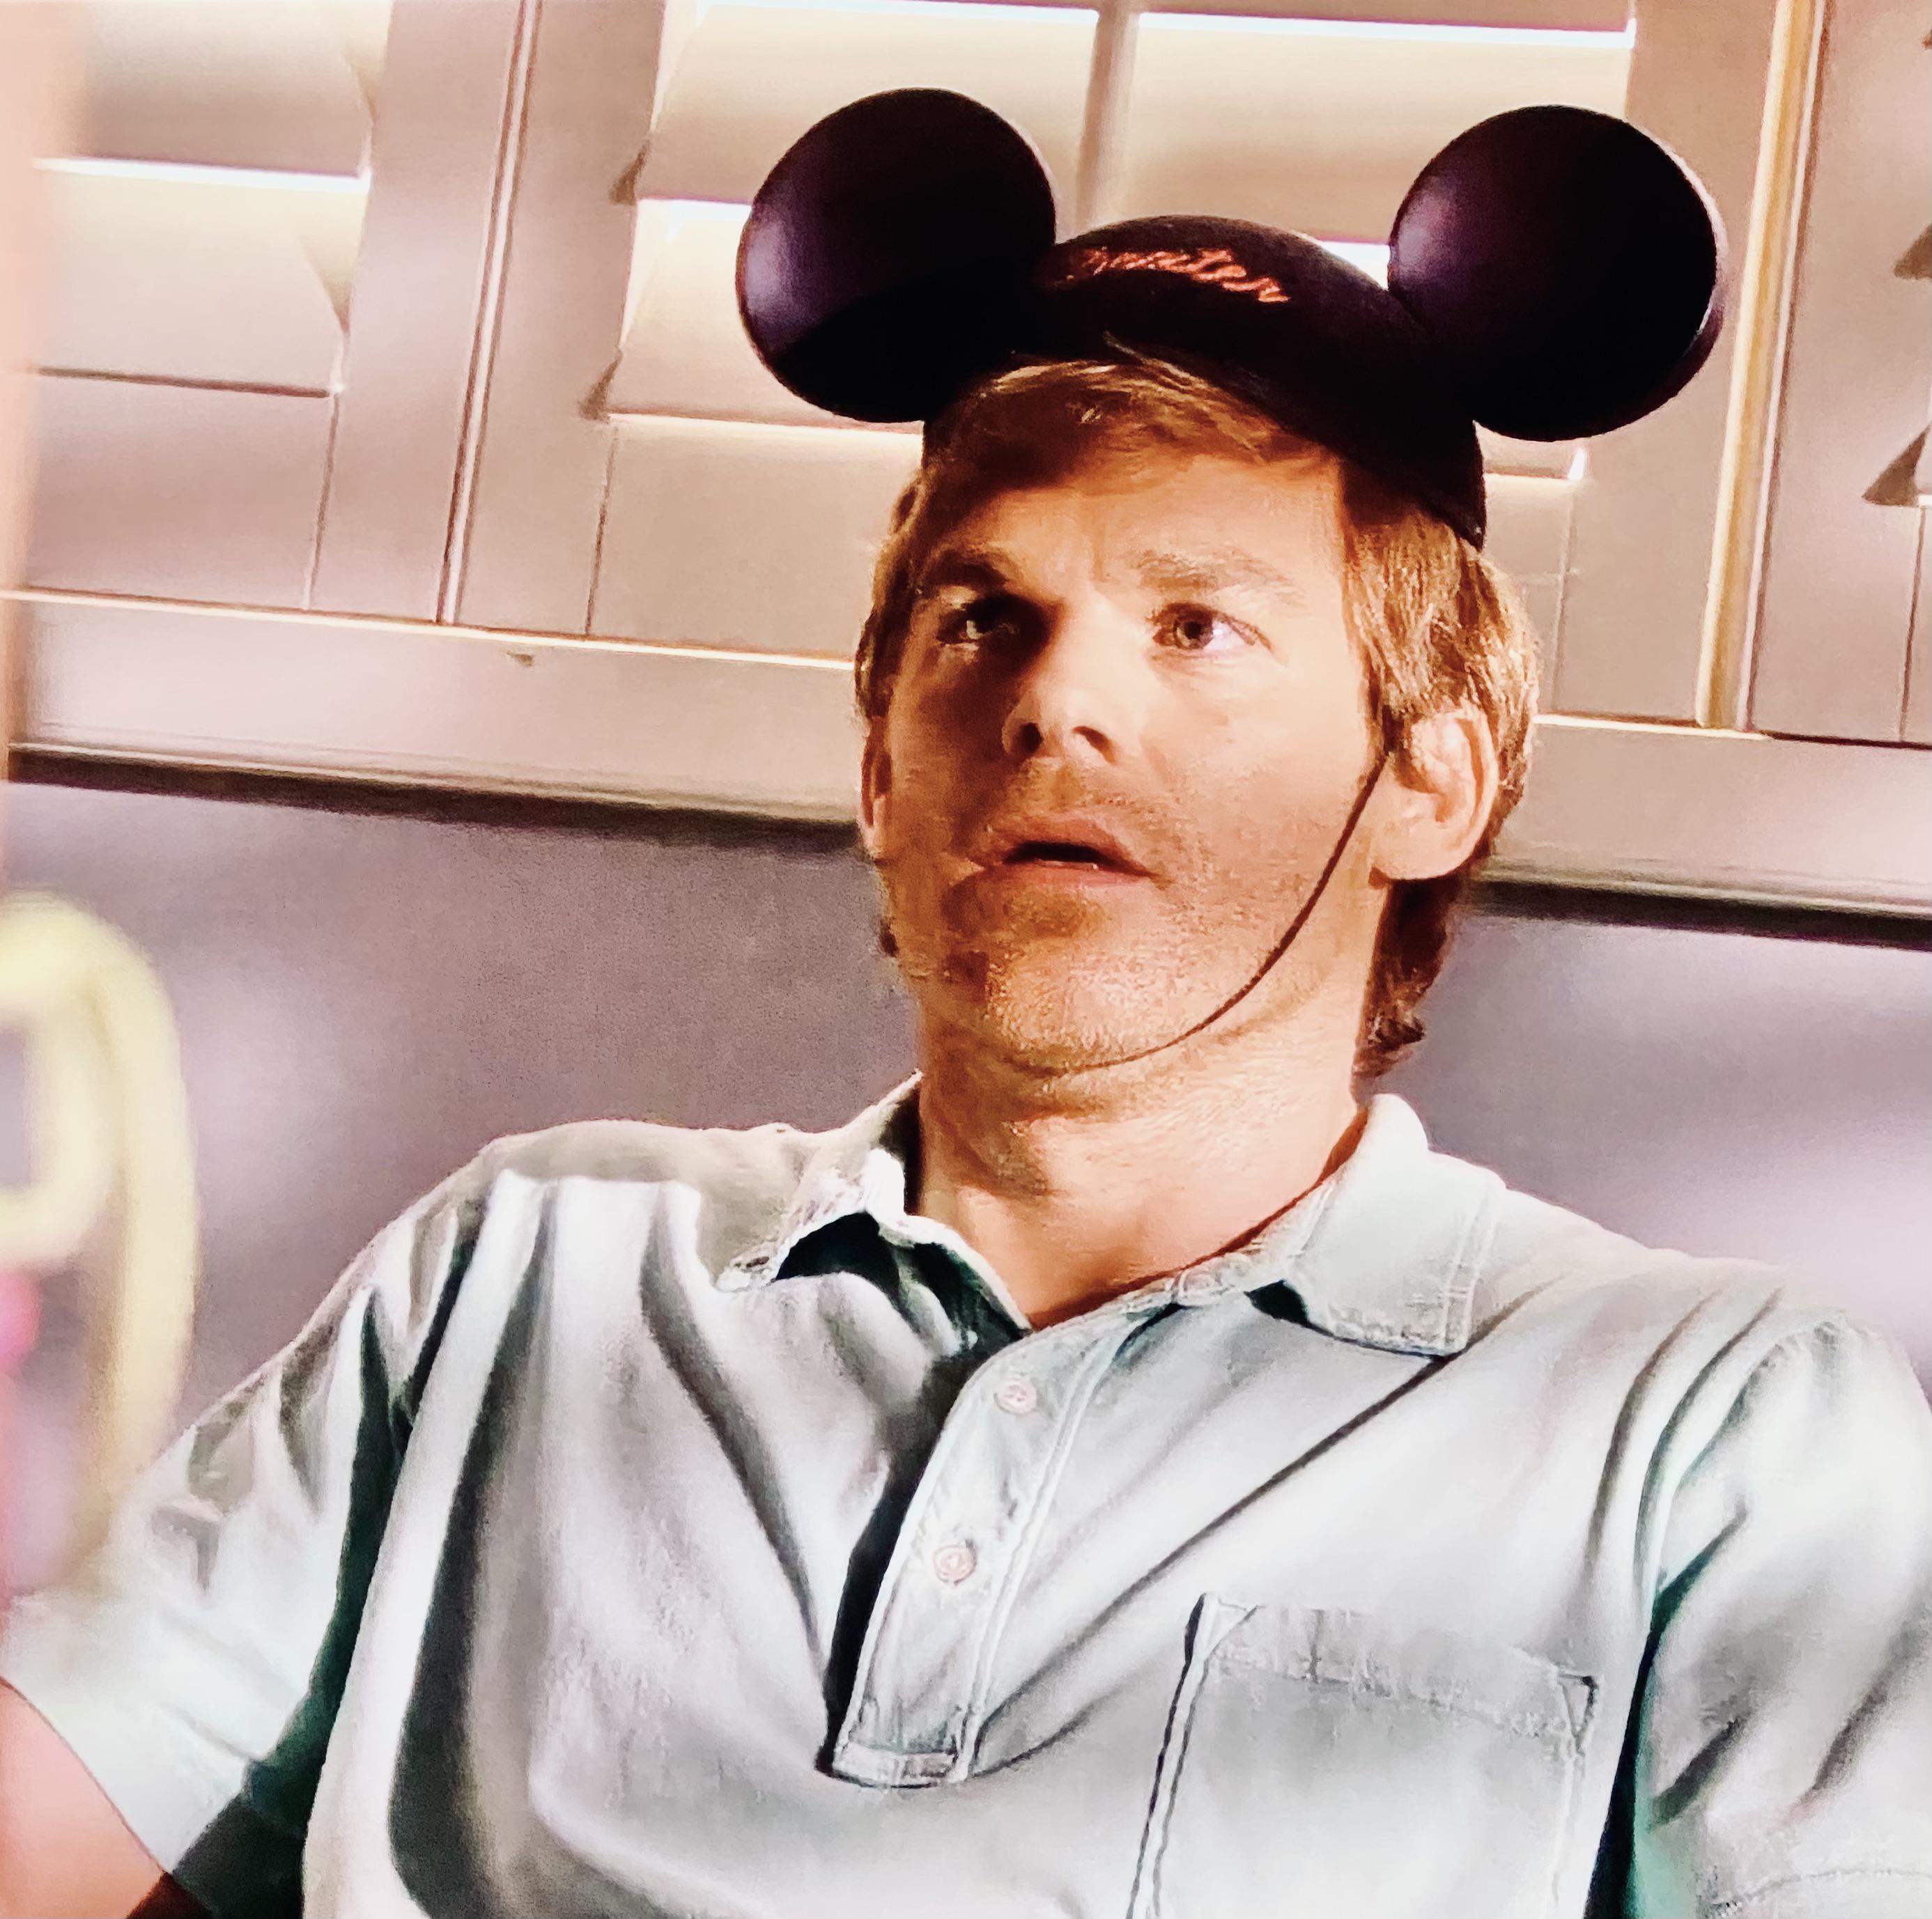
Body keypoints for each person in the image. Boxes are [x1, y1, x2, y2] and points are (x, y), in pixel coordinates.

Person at [4, 95, 1930, 1919]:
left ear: (1432, 774)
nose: (1056, 701)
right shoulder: (530, 1269)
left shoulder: (1708, 1421)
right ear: (877, 766)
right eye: (981, 619)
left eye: (1198, 626)